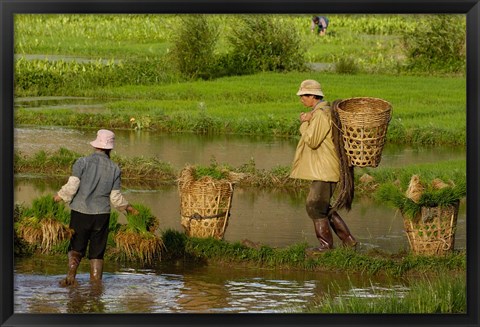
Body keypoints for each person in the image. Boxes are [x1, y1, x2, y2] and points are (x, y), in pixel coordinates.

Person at [54, 129, 139, 286]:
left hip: (80, 212)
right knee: (97, 252)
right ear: (110, 148)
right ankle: (95, 285)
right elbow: (115, 197)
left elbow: (72, 187)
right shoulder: (115, 169)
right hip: (101, 215)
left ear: (96, 145)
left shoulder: (82, 162)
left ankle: (71, 277)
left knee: (76, 246)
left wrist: (58, 197)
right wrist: (129, 208)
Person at [289, 80, 357, 252]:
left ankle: (326, 246)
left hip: (324, 169)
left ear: (313, 96)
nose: (301, 99)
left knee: (314, 207)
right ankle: (349, 242)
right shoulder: (323, 112)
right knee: (322, 207)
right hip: (324, 168)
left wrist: (304, 122)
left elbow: (312, 140)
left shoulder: (320, 115)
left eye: (303, 95)